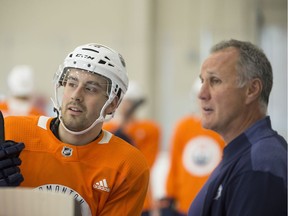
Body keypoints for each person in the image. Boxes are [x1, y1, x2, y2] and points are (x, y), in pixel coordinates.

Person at [2, 43, 150, 216]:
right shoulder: (11, 131)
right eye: (72, 83)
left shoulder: (127, 165)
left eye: (90, 89)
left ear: (112, 103)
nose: (76, 95)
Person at [188, 39, 287, 216]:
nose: (202, 94)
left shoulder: (260, 164)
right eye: (202, 81)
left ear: (251, 90)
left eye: (215, 81)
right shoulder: (243, 155)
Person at [158, 80, 225, 216]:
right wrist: (170, 195)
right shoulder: (183, 127)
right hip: (185, 203)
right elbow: (174, 163)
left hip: (216, 202)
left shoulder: (224, 127)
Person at [103, 80, 161, 216]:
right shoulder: (107, 128)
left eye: (130, 102)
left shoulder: (149, 129)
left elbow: (145, 163)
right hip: (112, 195)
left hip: (140, 197)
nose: (125, 106)